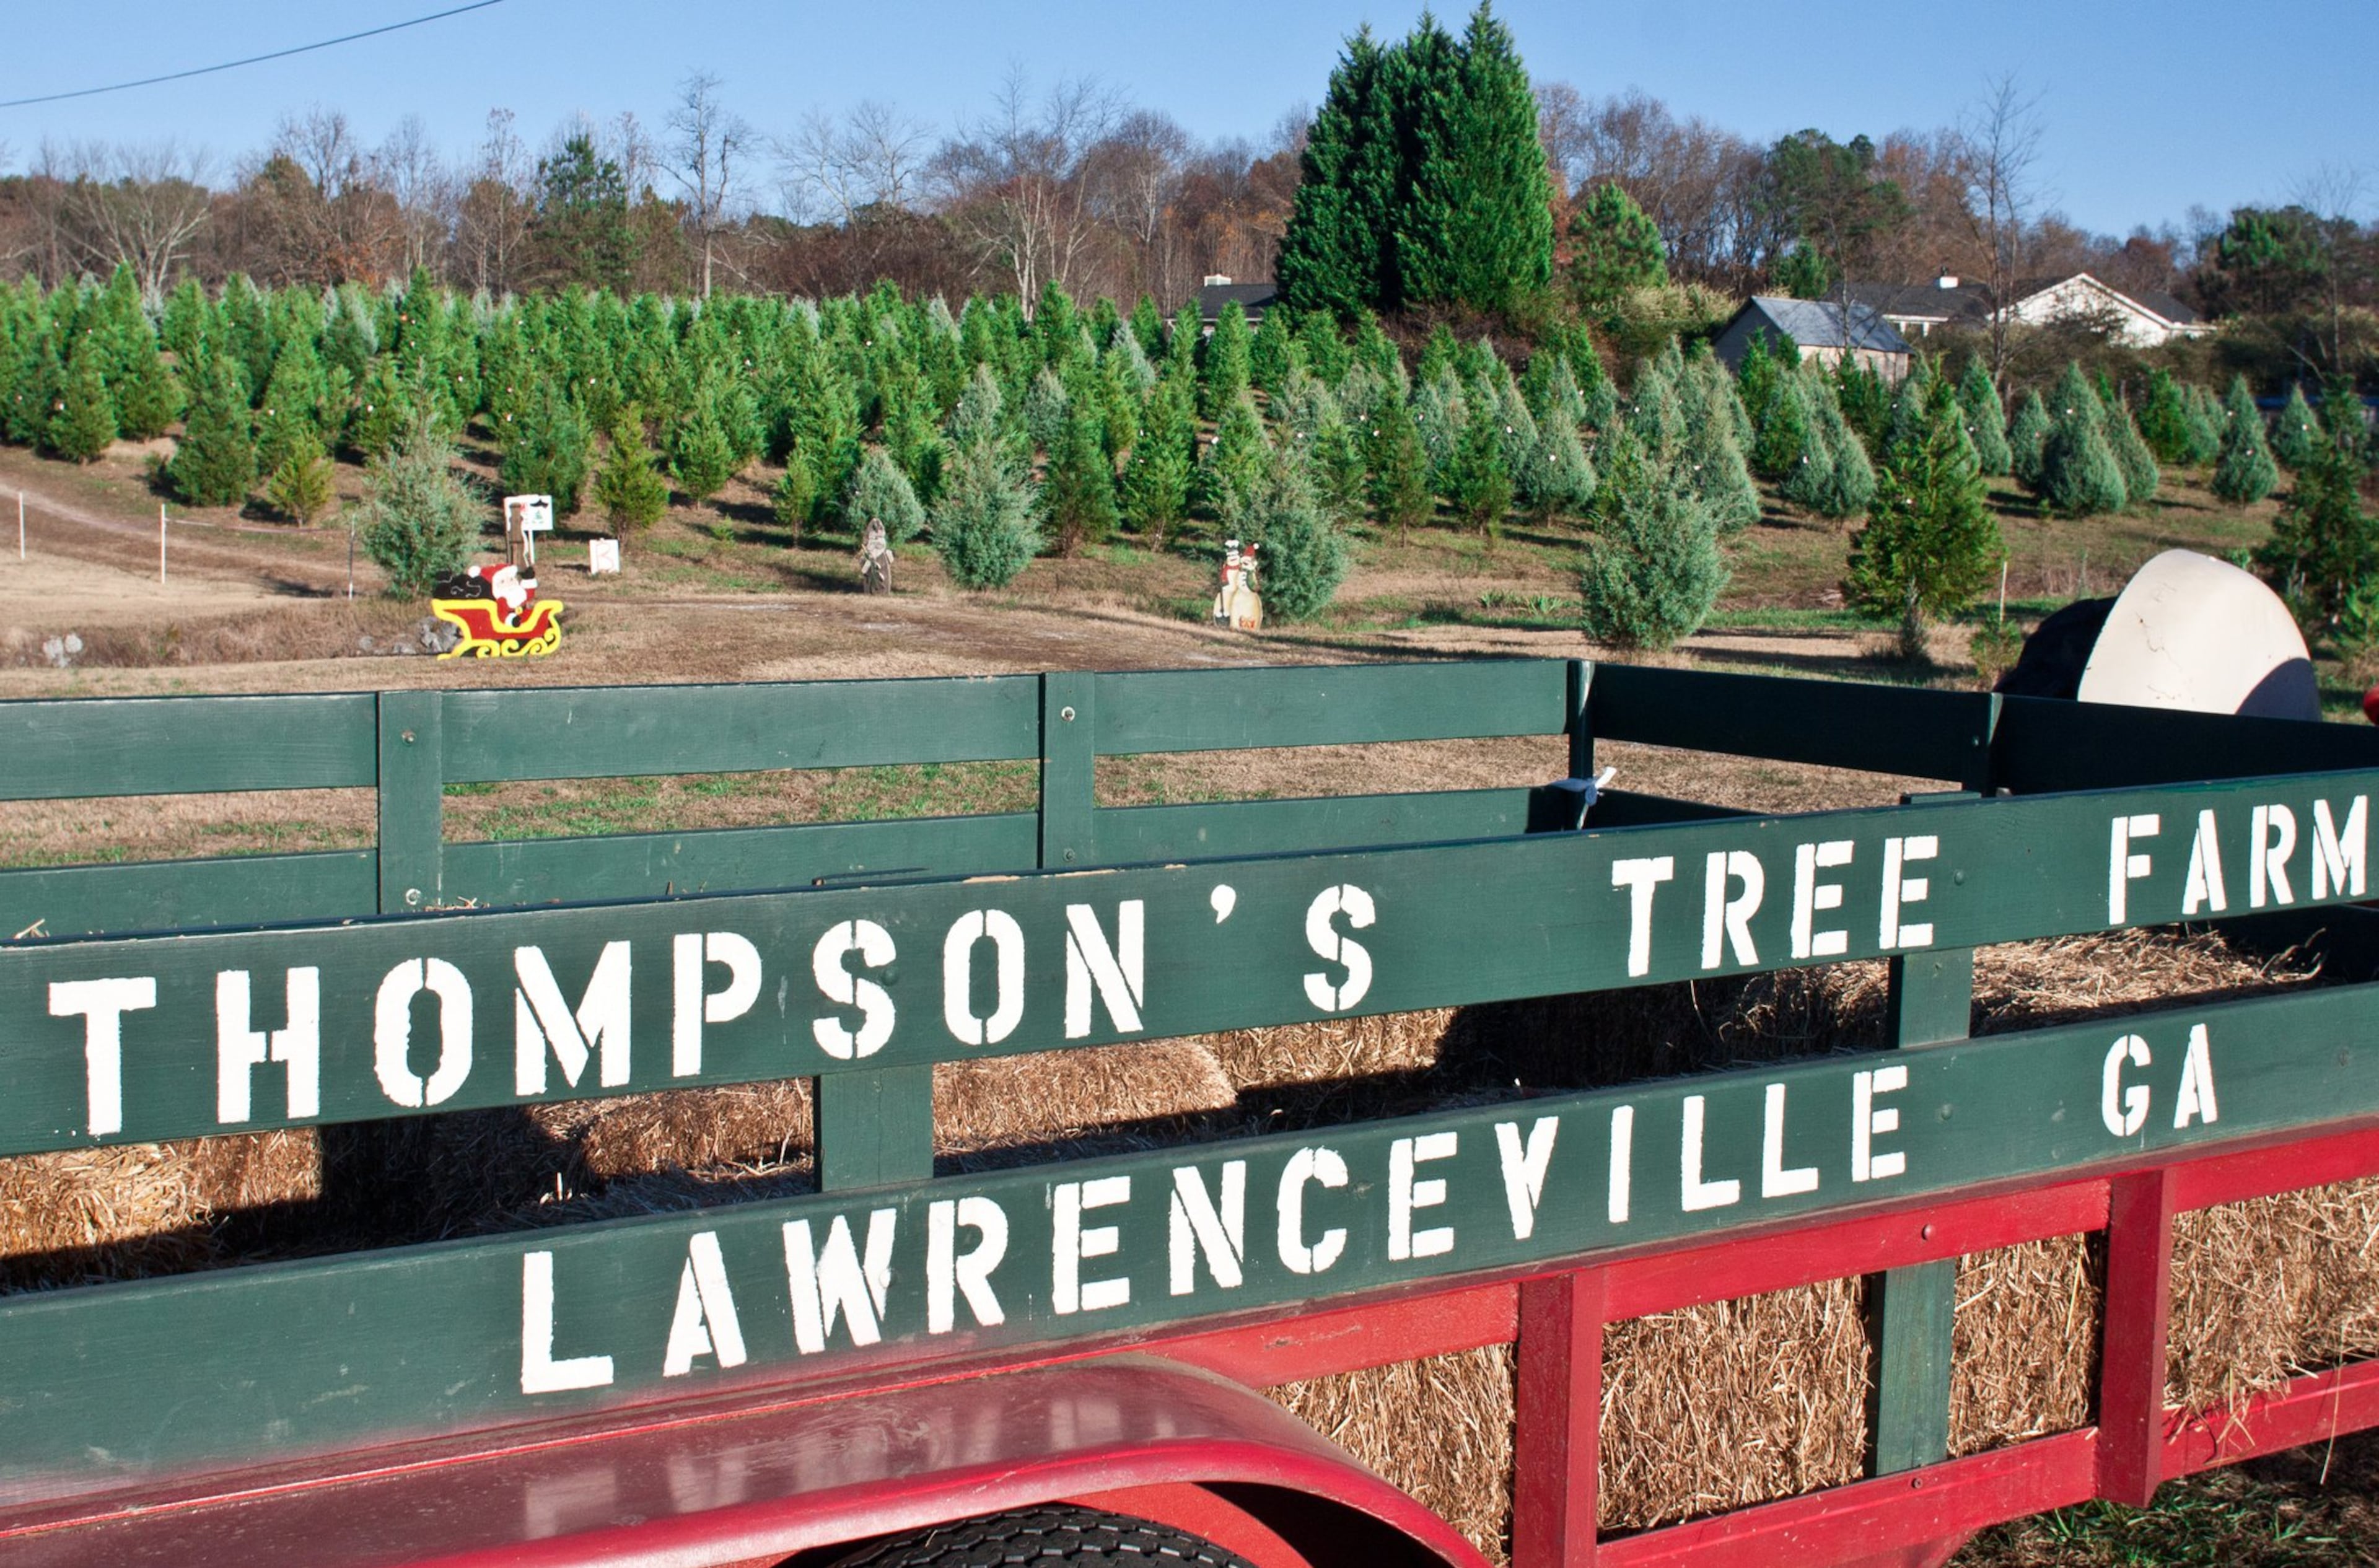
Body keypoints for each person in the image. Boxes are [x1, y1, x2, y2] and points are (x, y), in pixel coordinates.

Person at [859, 517, 893, 595]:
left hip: (877, 555)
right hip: (873, 555)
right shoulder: (874, 538)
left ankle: (874, 573)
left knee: (868, 563)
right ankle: (871, 575)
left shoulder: (880, 540)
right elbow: (869, 547)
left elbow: (873, 547)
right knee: (865, 562)